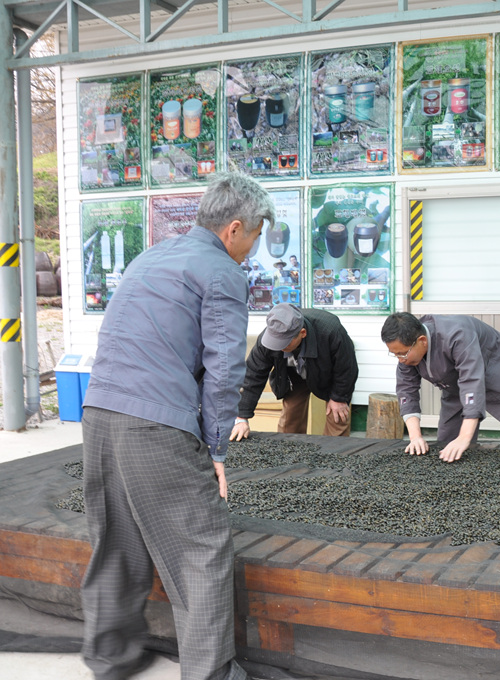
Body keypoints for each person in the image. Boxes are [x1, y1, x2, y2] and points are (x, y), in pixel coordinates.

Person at [80, 172, 274, 680]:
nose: (253, 249)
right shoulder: (222, 272)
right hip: (155, 423)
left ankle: (110, 656)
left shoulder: (151, 257)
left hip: (98, 413)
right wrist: (215, 450)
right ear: (235, 229)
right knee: (201, 547)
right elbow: (224, 369)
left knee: (116, 542)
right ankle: (211, 675)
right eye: (256, 236)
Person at [380, 312, 500, 462]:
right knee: (448, 441)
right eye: (395, 354)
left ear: (422, 341)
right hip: (454, 383)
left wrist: (464, 438)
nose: (400, 359)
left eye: (402, 354)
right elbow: (406, 390)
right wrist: (415, 438)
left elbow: (471, 383)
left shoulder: (457, 335)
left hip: (499, 370)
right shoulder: (406, 355)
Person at [231, 304, 358, 438]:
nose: (278, 347)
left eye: (284, 343)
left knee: (337, 415)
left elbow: (347, 368)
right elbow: (253, 375)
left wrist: (339, 398)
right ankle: (289, 449)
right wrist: (241, 417)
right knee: (290, 417)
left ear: (302, 333)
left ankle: (334, 450)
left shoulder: (331, 331)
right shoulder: (268, 339)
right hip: (292, 375)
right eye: (275, 342)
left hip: (328, 373)